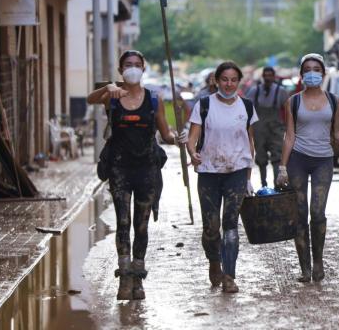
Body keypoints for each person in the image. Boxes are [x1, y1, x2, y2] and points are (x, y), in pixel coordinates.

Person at [87, 50, 185, 300]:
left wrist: (179, 139)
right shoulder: (112, 97)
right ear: (121, 70)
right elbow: (90, 98)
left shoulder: (154, 99)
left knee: (141, 226)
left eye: (137, 65)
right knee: (122, 222)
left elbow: (165, 135)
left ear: (144, 69)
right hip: (119, 169)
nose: (133, 68)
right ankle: (124, 277)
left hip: (147, 170)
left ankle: (138, 278)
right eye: (128, 65)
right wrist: (109, 88)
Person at [186, 61, 258, 293]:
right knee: (211, 226)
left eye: (233, 80)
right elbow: (192, 137)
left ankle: (229, 275)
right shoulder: (204, 105)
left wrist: (248, 176)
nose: (229, 84)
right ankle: (214, 262)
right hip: (208, 173)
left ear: (239, 82)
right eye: (224, 79)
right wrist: (192, 152)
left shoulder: (246, 107)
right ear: (216, 81)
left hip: (236, 172)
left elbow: (250, 142)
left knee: (230, 226)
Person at [276, 53, 339, 283]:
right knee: (299, 214)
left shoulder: (334, 100)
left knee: (317, 213)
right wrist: (282, 167)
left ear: (323, 73)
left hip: (323, 160)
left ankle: (318, 261)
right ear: (301, 74)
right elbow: (289, 135)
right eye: (307, 69)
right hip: (298, 159)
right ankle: (305, 268)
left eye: (316, 69)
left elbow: (335, 132)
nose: (312, 73)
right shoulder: (293, 101)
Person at [245, 66, 289, 187]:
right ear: (263, 77)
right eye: (266, 75)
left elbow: (288, 110)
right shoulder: (255, 91)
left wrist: (287, 126)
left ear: (274, 77)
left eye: (270, 75)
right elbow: (247, 108)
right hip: (259, 129)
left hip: (276, 129)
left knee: (277, 156)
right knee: (261, 157)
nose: (268, 78)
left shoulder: (281, 91)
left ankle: (277, 184)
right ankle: (263, 184)